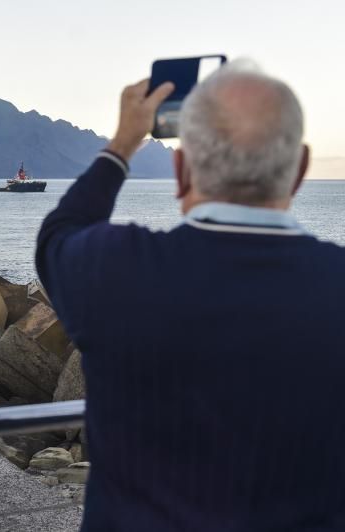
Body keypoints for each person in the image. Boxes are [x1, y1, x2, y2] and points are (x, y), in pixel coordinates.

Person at [37, 62, 345, 531]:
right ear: (300, 169)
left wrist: (122, 145)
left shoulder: (116, 268)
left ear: (180, 170)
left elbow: (59, 234)